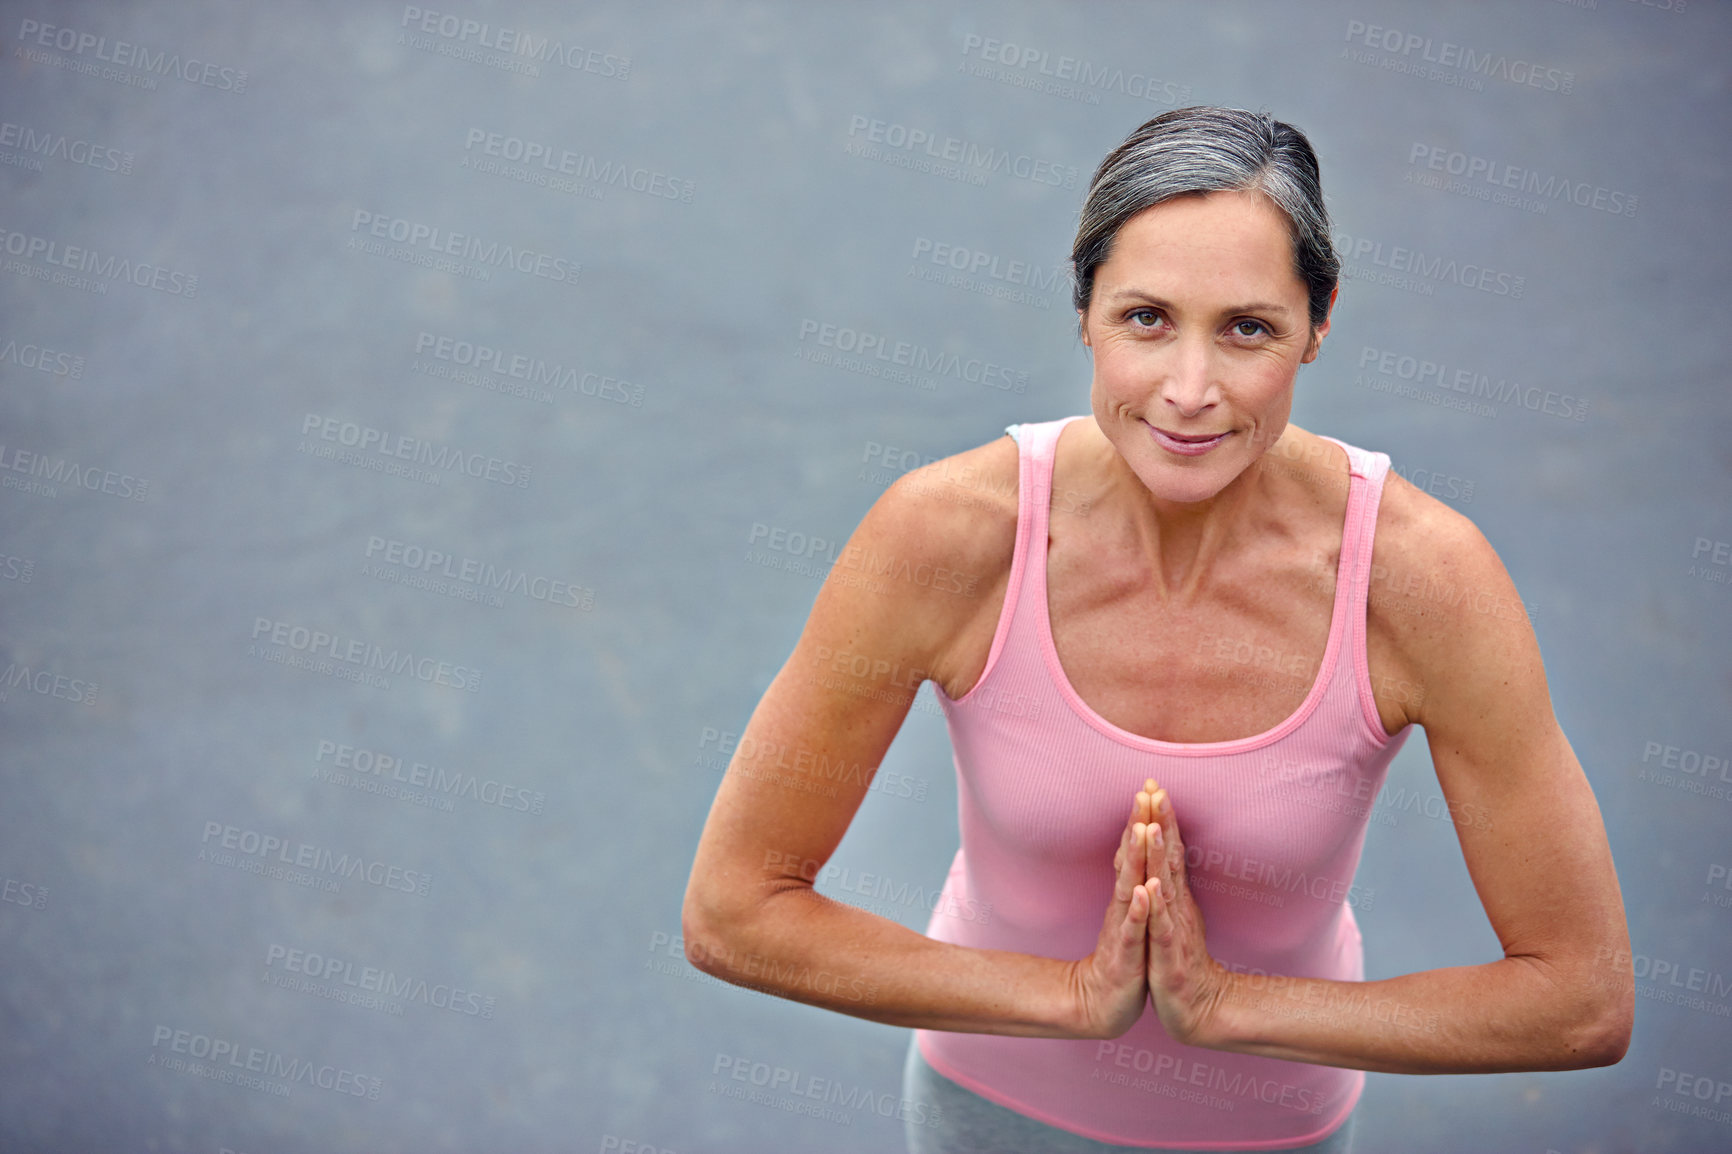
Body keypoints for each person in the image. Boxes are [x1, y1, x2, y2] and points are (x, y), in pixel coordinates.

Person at [682, 106, 1632, 1153]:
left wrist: (1228, 1007)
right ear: (1083, 309)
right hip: (985, 1116)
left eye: (1247, 328)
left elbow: (1579, 997)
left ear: (1318, 325)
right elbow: (734, 908)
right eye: (1144, 318)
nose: (1189, 392)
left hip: (1275, 1137)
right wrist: (1072, 996)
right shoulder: (946, 535)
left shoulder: (1423, 578)